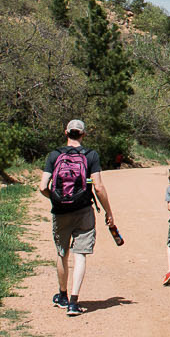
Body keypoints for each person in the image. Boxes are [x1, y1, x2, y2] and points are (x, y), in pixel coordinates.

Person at [39, 119, 116, 317]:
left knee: (62, 253)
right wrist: (108, 212)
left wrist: (56, 198)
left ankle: (62, 296)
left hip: (60, 212)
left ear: (66, 132)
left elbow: (42, 186)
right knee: (80, 254)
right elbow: (98, 187)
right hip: (84, 211)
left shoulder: (54, 155)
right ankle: (74, 301)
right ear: (83, 134)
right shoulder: (91, 155)